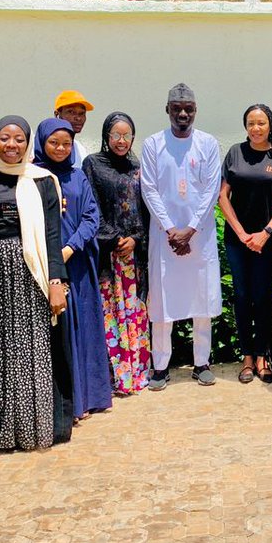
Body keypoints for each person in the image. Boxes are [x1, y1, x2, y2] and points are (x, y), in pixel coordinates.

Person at [0, 116, 71, 451]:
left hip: (31, 273)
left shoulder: (42, 181)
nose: (11, 145)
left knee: (32, 350)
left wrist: (55, 281)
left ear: (27, 143)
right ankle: (0, 431)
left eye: (19, 139)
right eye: (5, 138)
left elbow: (52, 234)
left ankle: (33, 428)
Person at [141, 84, 223, 387]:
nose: (183, 113)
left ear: (196, 110)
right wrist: (170, 229)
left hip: (198, 236)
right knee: (163, 301)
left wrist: (190, 229)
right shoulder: (153, 144)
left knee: (201, 298)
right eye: (177, 108)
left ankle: (202, 362)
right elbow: (149, 188)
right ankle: (160, 366)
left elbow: (211, 189)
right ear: (167, 111)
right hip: (164, 237)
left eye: (188, 107)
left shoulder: (208, 143)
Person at [34, 118, 113, 420]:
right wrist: (54, 254)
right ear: (42, 142)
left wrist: (70, 248)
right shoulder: (33, 178)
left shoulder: (79, 176)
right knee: (60, 331)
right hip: (46, 265)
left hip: (79, 263)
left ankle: (89, 397)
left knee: (85, 327)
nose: (60, 148)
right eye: (54, 142)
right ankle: (67, 402)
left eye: (66, 143)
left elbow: (92, 217)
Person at [219, 104, 272, 383]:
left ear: (270, 125)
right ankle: (247, 358)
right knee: (242, 297)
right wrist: (241, 233)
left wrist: (265, 232)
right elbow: (223, 196)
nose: (256, 128)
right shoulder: (235, 153)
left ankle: (263, 356)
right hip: (238, 239)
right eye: (251, 123)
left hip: (269, 238)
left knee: (262, 296)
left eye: (261, 123)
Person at [83, 112, 153, 395]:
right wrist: (113, 239)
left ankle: (136, 374)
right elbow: (91, 207)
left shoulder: (138, 166)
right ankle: (114, 378)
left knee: (135, 313)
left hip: (133, 256)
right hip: (108, 255)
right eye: (116, 135)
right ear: (106, 137)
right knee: (110, 314)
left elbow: (146, 209)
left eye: (127, 136)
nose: (121, 141)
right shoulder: (93, 164)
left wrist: (136, 240)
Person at [54, 90, 94, 165]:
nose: (78, 118)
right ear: (57, 114)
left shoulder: (80, 149)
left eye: (82, 113)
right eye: (71, 112)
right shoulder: (44, 146)